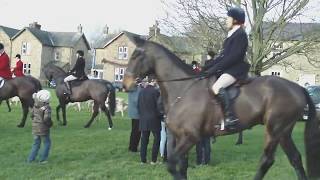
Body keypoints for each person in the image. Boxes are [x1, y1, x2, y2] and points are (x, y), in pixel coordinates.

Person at [203, 7, 249, 130]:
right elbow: (222, 56)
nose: (226, 20)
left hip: (236, 69)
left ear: (235, 20)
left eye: (228, 18)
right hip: (229, 68)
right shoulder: (232, 34)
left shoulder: (241, 35)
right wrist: (207, 66)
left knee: (217, 87)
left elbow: (233, 57)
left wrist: (215, 69)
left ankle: (230, 117)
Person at [138, 78, 161, 164]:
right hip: (154, 119)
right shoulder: (156, 92)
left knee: (144, 140)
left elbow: (138, 106)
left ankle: (143, 160)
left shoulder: (141, 92)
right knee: (157, 139)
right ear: (153, 81)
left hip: (143, 118)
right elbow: (159, 106)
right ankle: (153, 160)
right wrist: (161, 116)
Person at [27, 90, 53, 163]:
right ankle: (43, 159)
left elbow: (31, 115)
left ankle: (30, 159)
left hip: (35, 127)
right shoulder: (47, 108)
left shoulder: (35, 105)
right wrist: (50, 124)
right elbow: (46, 118)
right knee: (47, 143)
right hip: (43, 129)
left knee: (36, 143)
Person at [127, 79, 142, 152]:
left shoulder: (131, 88)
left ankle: (132, 146)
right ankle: (133, 148)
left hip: (133, 113)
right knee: (136, 131)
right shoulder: (137, 89)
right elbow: (137, 101)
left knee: (134, 131)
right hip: (137, 113)